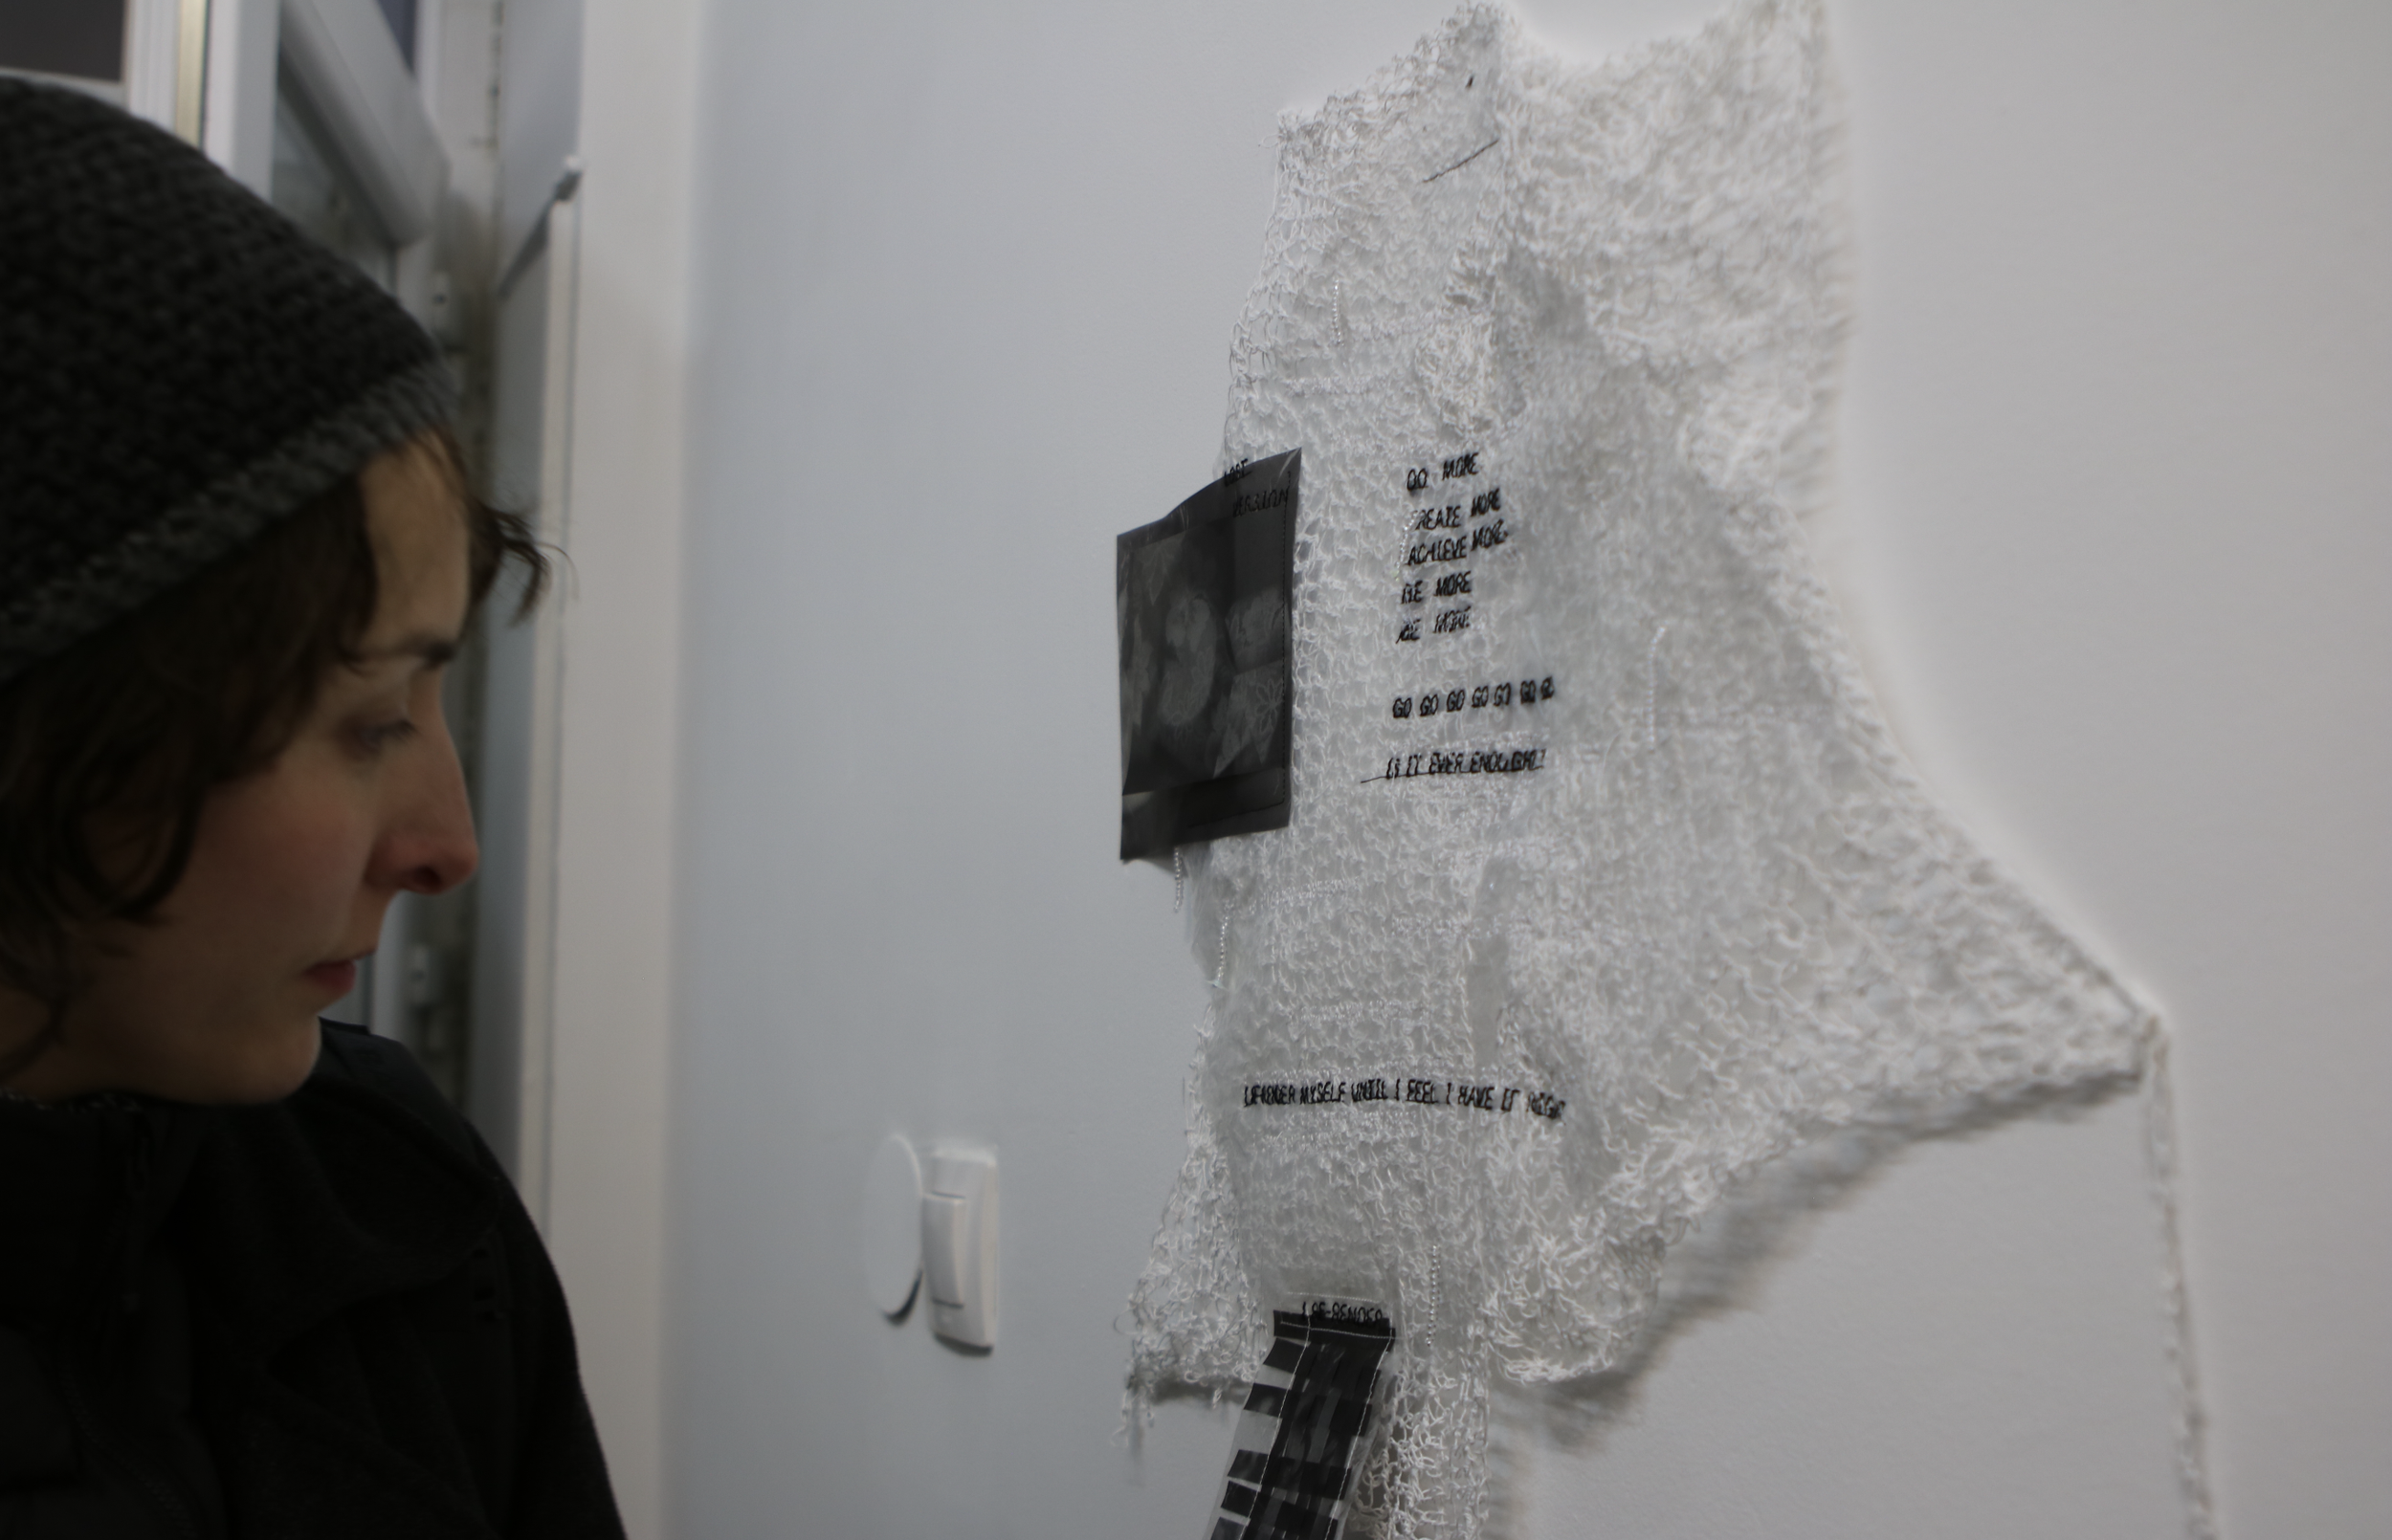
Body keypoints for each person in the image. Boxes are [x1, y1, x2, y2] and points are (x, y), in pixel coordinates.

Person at [0, 78, 626, 1537]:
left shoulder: (388, 1204)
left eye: (437, 699)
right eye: (366, 720)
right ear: (55, 736)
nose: (448, 846)